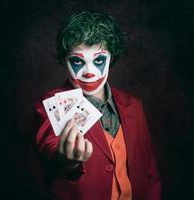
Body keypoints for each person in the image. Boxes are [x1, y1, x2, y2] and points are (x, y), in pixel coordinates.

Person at [35, 10, 161, 200]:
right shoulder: (50, 105)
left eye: (99, 60)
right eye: (77, 61)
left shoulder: (133, 105)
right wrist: (67, 162)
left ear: (111, 59)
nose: (89, 72)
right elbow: (49, 148)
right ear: (63, 60)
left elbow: (150, 174)